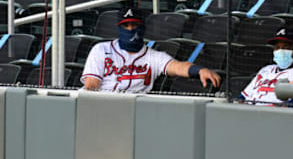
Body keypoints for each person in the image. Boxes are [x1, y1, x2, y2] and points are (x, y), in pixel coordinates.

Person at [81, 6, 221, 93]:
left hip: (133, 109)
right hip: (100, 104)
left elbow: (177, 66)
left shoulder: (153, 57)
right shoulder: (101, 50)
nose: (130, 29)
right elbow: (91, 85)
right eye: (126, 26)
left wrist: (199, 70)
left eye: (134, 25)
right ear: (119, 28)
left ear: (142, 27)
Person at [239, 27, 293, 105]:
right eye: (277, 47)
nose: (280, 51)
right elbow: (242, 97)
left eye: (286, 47)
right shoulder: (265, 70)